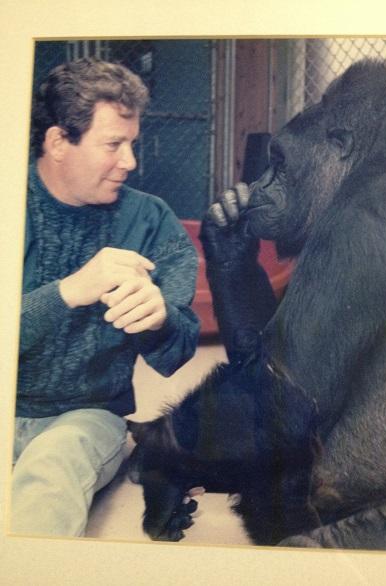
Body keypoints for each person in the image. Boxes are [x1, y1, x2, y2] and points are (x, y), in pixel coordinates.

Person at [11, 57, 200, 537]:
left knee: (51, 472)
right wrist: (69, 292)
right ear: (58, 142)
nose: (130, 162)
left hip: (86, 416)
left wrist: (161, 320)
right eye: (114, 144)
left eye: (132, 143)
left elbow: (177, 355)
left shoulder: (152, 223)